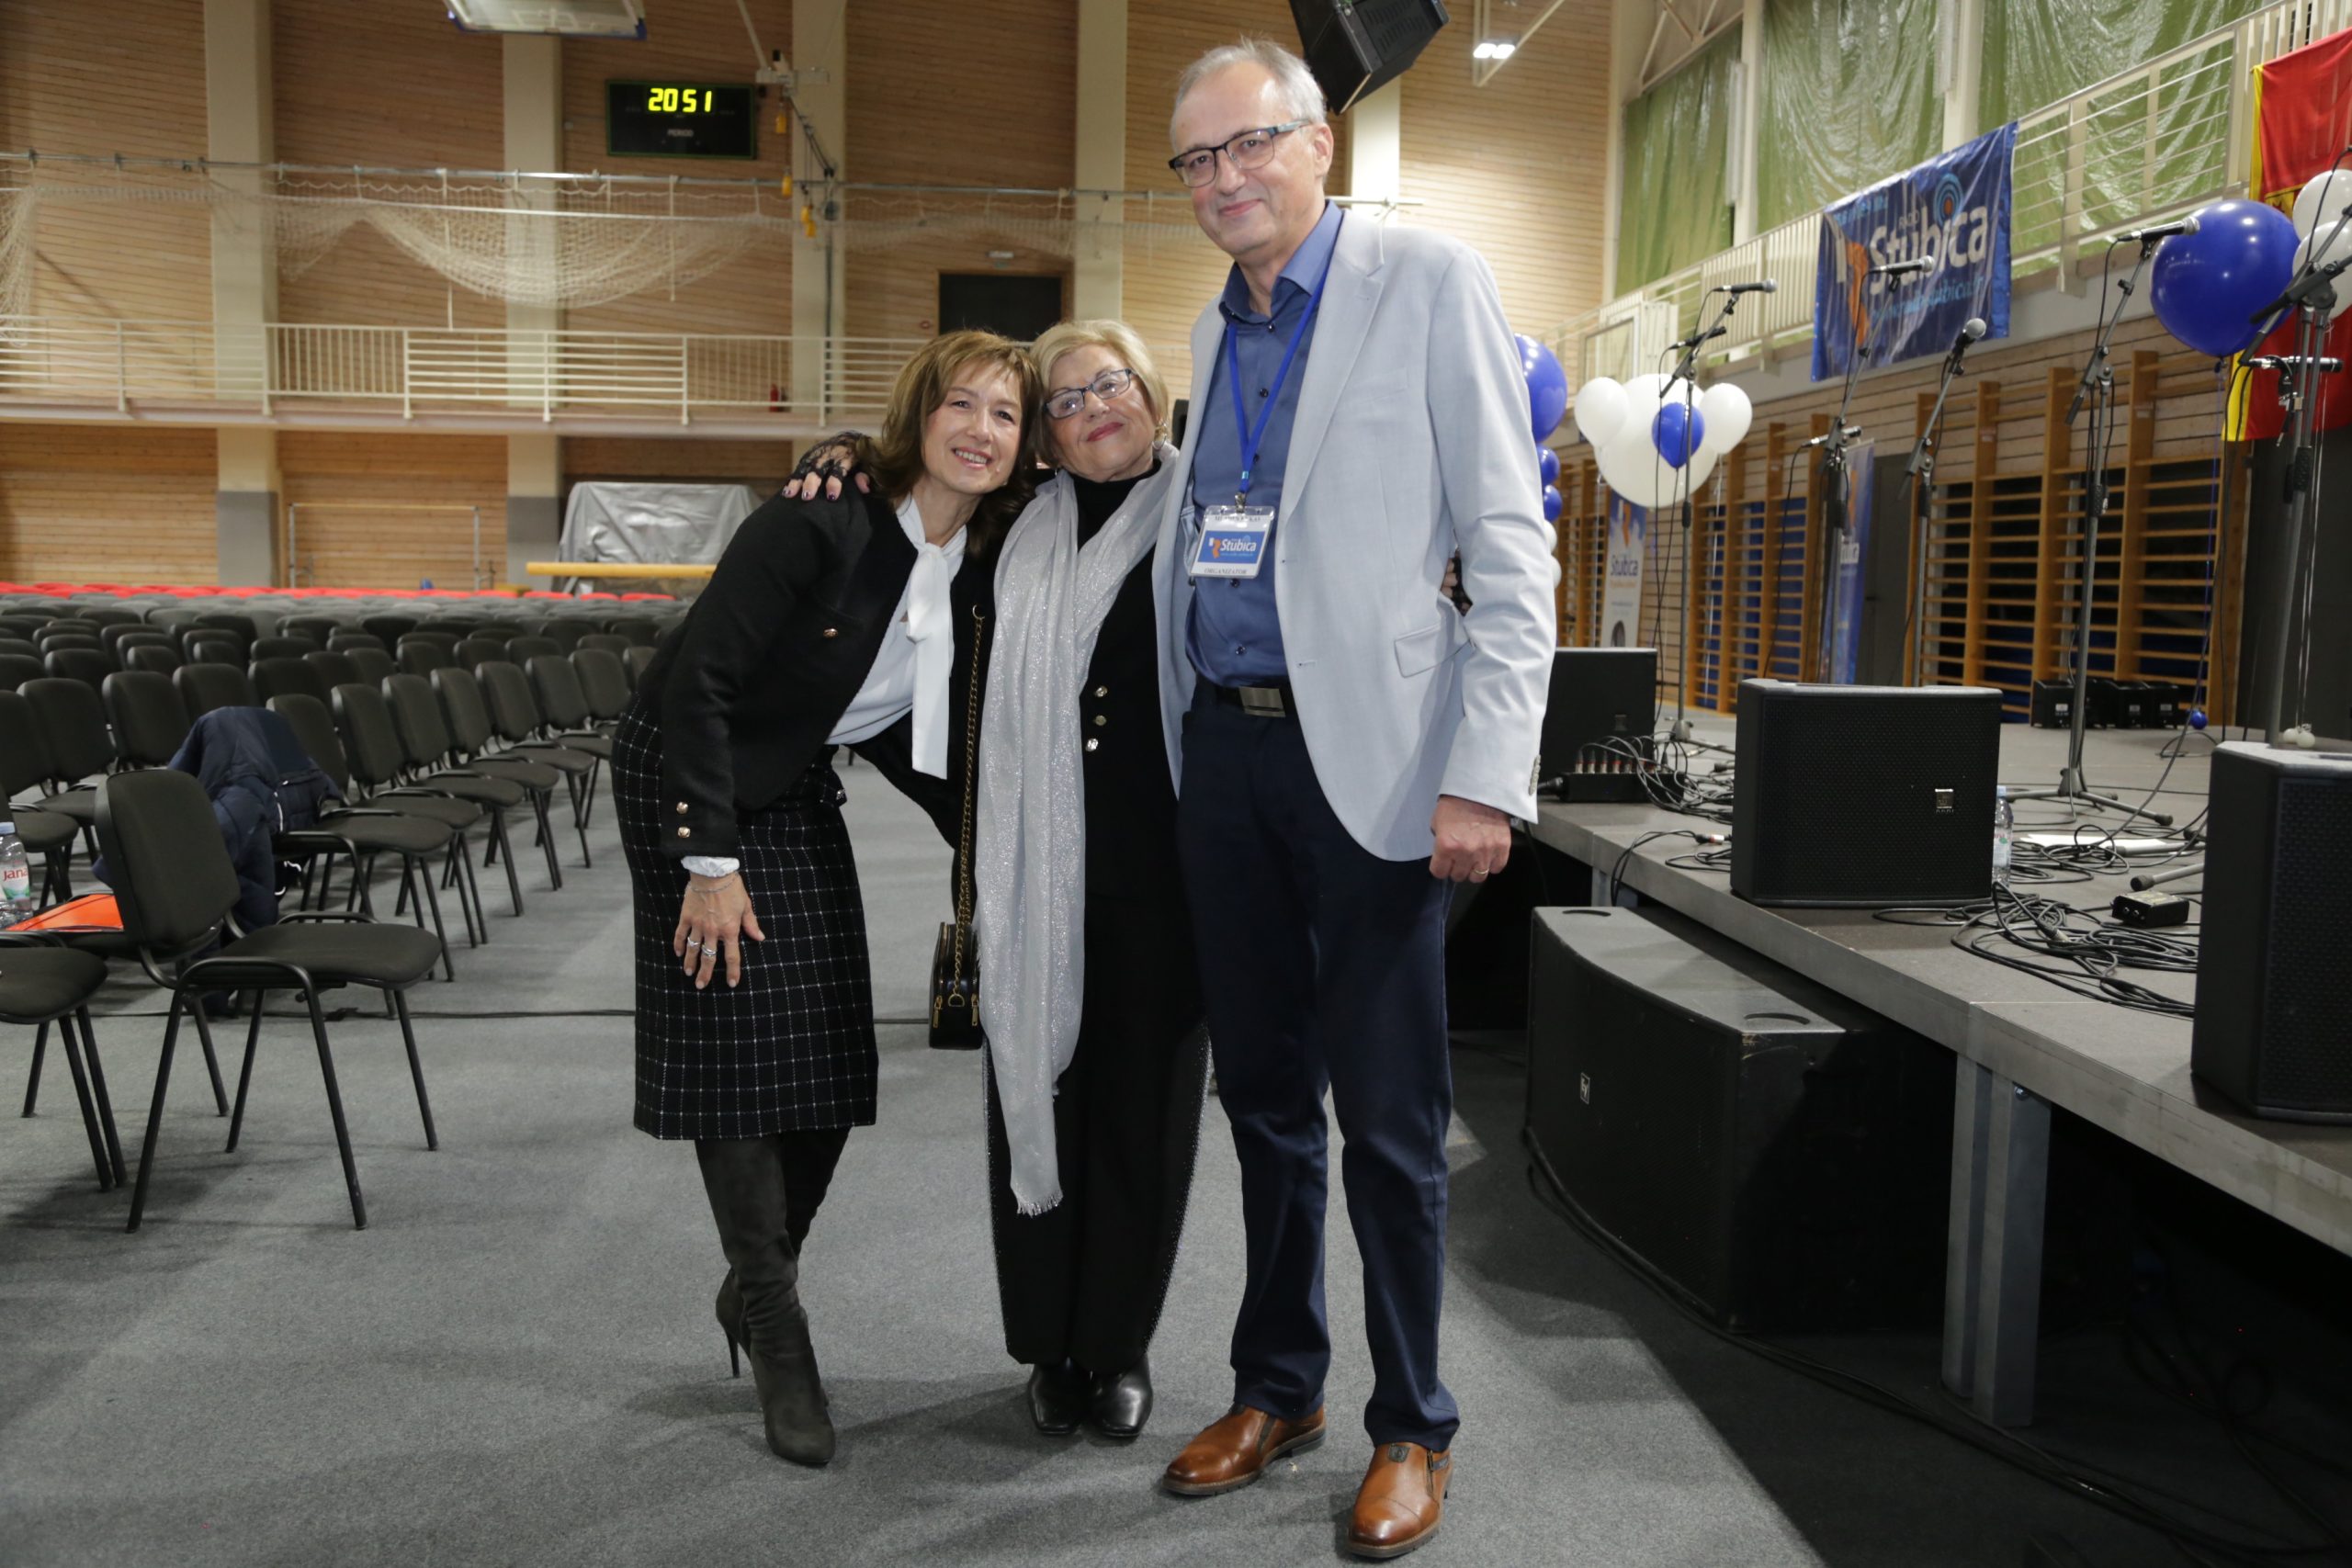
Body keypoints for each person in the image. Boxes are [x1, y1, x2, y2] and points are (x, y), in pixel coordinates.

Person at [1147, 39, 1556, 1560]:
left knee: (1388, 1118)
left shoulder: (1426, 281)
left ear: (1319, 140)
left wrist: (1483, 773)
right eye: (1197, 159)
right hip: (1227, 756)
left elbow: (1511, 546)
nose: (1225, 178)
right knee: (1262, 1099)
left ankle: (1413, 1420)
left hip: (1376, 768)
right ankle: (1281, 1382)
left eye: (1249, 143)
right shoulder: (1216, 322)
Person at [614, 330, 1038, 1468]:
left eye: (1005, 413)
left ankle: (754, 1283)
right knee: (737, 1049)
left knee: (830, 1055)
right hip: (692, 777)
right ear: (920, 412)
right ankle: (776, 1322)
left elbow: (917, 734)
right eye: (960, 404)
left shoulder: (984, 556)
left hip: (793, 778)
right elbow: (701, 684)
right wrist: (709, 867)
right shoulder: (818, 520)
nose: (980, 430)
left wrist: (1001, 850)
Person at [972, 321, 1207, 1444]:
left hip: (1162, 875)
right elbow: (912, 492)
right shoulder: (1013, 530)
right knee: (1040, 1093)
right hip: (1035, 878)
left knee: (1140, 1119)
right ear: (1047, 440)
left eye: (1109, 384)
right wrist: (837, 456)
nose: (1091, 409)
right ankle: (1046, 1346)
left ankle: (1117, 1345)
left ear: (1152, 397)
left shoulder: (1208, 513)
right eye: (1063, 402)